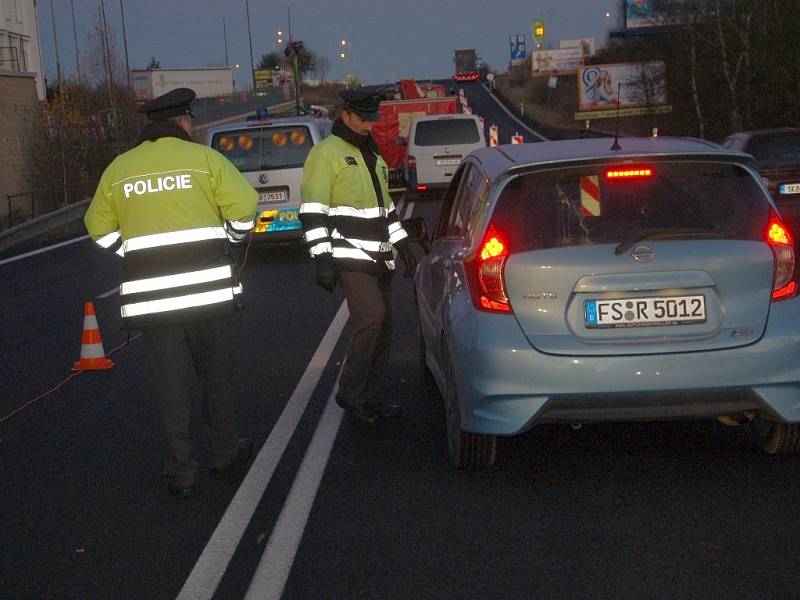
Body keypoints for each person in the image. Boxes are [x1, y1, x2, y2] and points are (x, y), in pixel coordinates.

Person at [84, 87, 258, 499]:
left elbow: (98, 227)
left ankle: (181, 472)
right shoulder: (205, 160)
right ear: (183, 122)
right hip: (208, 295)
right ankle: (223, 453)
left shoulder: (120, 169)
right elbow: (245, 207)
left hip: (155, 303)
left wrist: (135, 251)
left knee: (170, 387)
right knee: (215, 379)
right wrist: (229, 240)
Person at [299, 86, 417, 427]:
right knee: (372, 318)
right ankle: (350, 393)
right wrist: (322, 260)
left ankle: (370, 397)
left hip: (379, 258)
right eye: (363, 119)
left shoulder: (372, 154)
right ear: (346, 113)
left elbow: (386, 210)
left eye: (372, 119)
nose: (369, 125)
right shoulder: (327, 154)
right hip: (349, 255)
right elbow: (312, 212)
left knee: (385, 328)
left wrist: (404, 246)